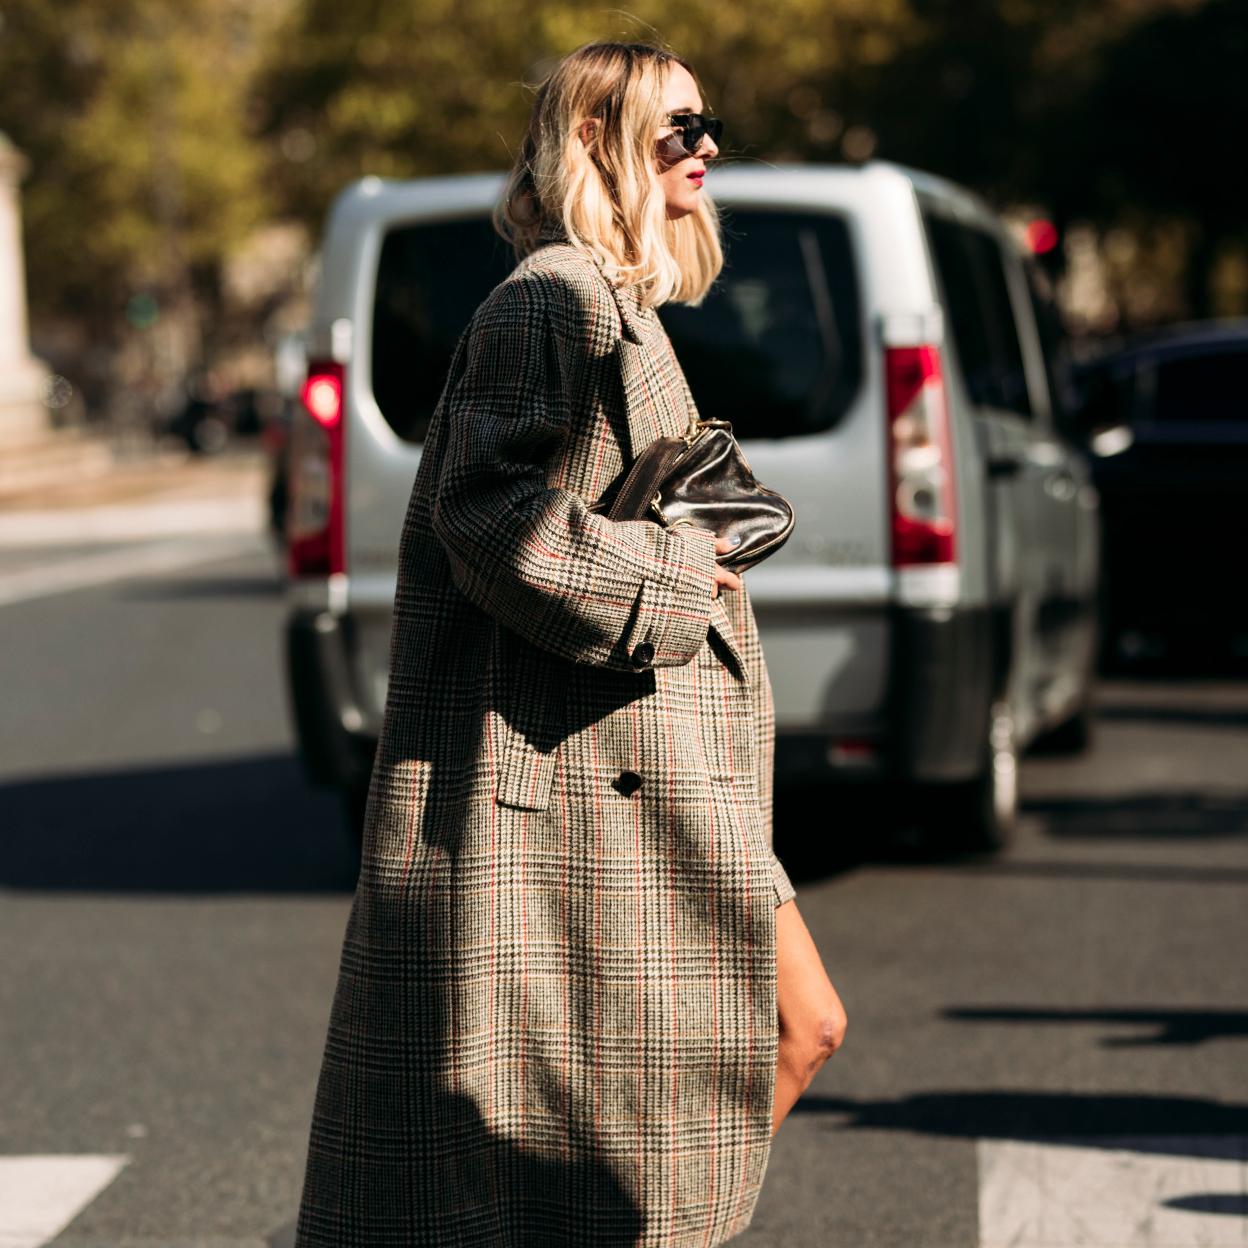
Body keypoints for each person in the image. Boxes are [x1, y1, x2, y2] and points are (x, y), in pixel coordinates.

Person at [293, 40, 847, 1248]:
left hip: (653, 769)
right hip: (592, 781)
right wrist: (674, 571)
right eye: (677, 130)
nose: (707, 152)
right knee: (669, 1095)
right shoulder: (555, 298)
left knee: (756, 1049)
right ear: (593, 140)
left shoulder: (616, 303)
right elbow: (488, 516)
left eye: (710, 128)